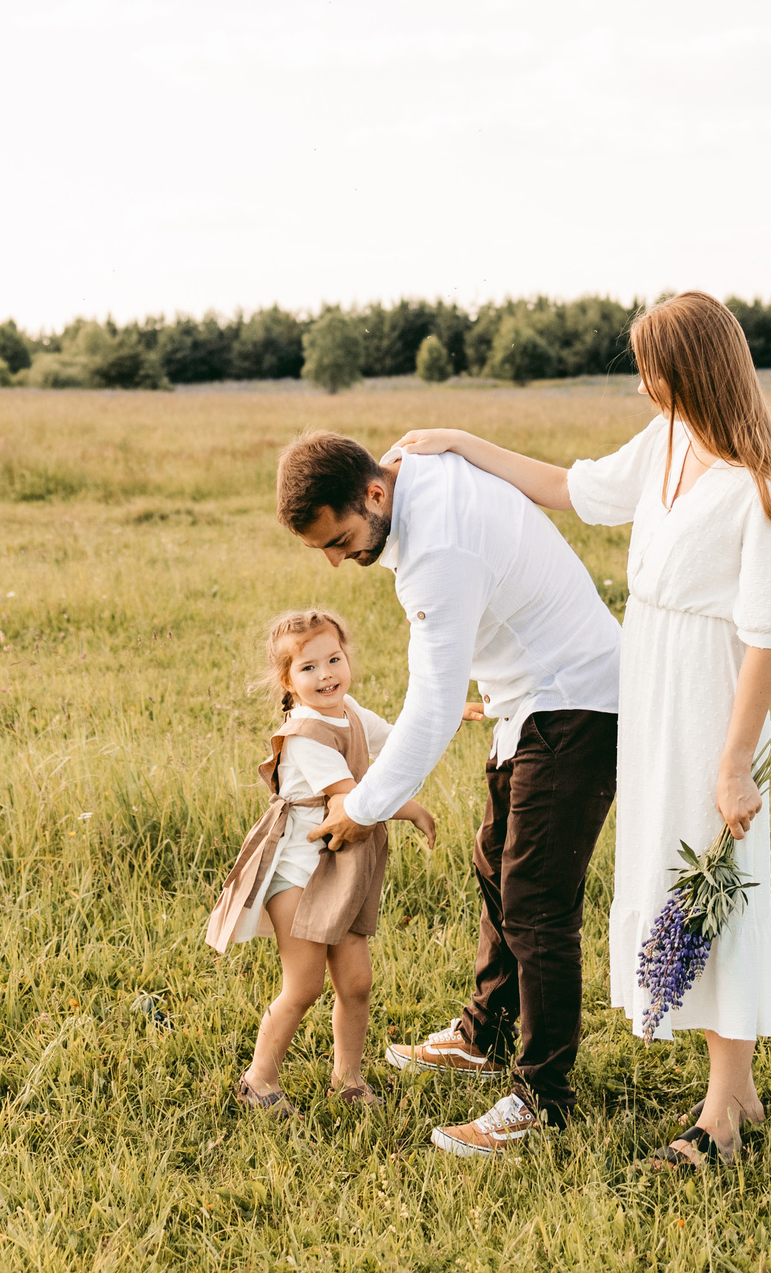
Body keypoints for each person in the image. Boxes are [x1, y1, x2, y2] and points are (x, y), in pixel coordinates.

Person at [386, 291, 771, 1172]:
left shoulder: (762, 489)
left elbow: (769, 635)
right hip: (650, 691)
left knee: (717, 886)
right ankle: (738, 1090)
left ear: (690, 369)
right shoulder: (666, 443)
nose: (639, 388)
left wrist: (736, 762)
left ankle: (721, 1121)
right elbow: (569, 488)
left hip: (712, 700)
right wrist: (461, 442)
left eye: (649, 370)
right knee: (671, 877)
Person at [279, 430, 621, 1157]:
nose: (338, 561)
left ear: (375, 493)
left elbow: (434, 706)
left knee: (536, 900)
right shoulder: (410, 466)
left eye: (339, 540)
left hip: (576, 700)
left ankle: (544, 1100)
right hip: (526, 694)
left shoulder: (437, 552)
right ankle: (484, 1035)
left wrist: (361, 807)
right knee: (494, 862)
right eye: (323, 551)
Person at [204, 609, 436, 1116]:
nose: (326, 674)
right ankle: (258, 1078)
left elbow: (393, 741)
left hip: (339, 868)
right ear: (287, 681)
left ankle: (348, 1078)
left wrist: (446, 716)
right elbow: (355, 799)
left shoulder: (346, 709)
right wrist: (413, 809)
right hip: (297, 874)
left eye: (334, 659)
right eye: (308, 668)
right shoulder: (306, 733)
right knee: (304, 985)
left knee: (356, 982)